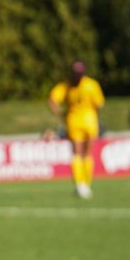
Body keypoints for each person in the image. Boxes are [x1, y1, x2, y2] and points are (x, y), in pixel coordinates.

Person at [47, 60, 105, 199]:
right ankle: (84, 184)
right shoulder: (91, 84)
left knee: (79, 152)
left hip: (75, 121)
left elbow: (52, 101)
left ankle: (82, 184)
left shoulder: (67, 85)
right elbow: (99, 104)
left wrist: (61, 113)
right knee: (85, 153)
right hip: (88, 120)